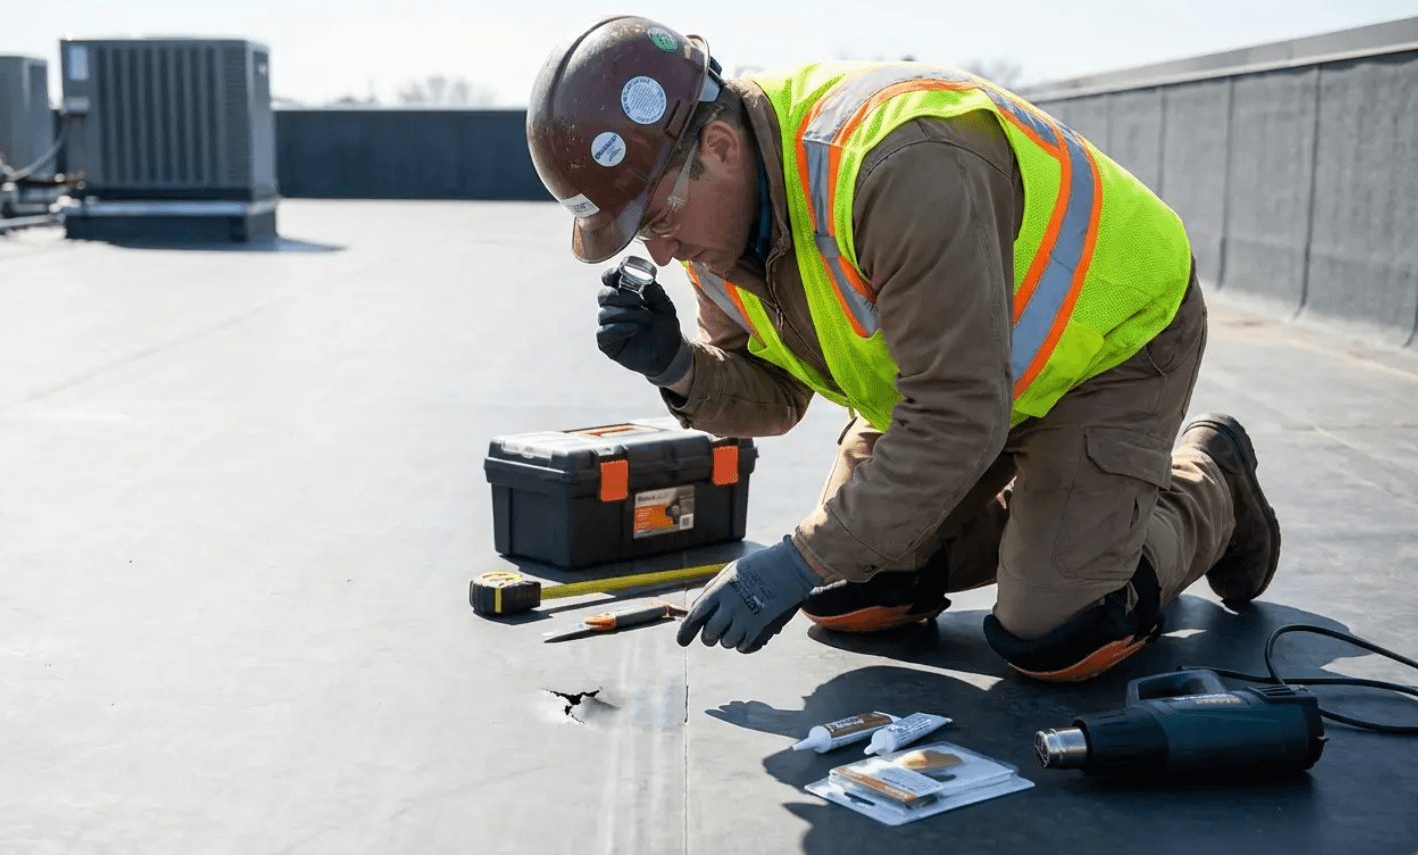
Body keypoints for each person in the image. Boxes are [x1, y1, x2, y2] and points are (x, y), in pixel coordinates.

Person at [524, 16, 1281, 681]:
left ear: (718, 146)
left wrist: (796, 557)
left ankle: (1207, 481)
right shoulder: (710, 230)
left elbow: (957, 415)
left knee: (1057, 632)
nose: (658, 253)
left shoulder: (897, 167)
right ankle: (1059, 515)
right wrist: (676, 362)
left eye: (654, 220)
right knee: (852, 592)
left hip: (1107, 345)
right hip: (954, 385)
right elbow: (779, 395)